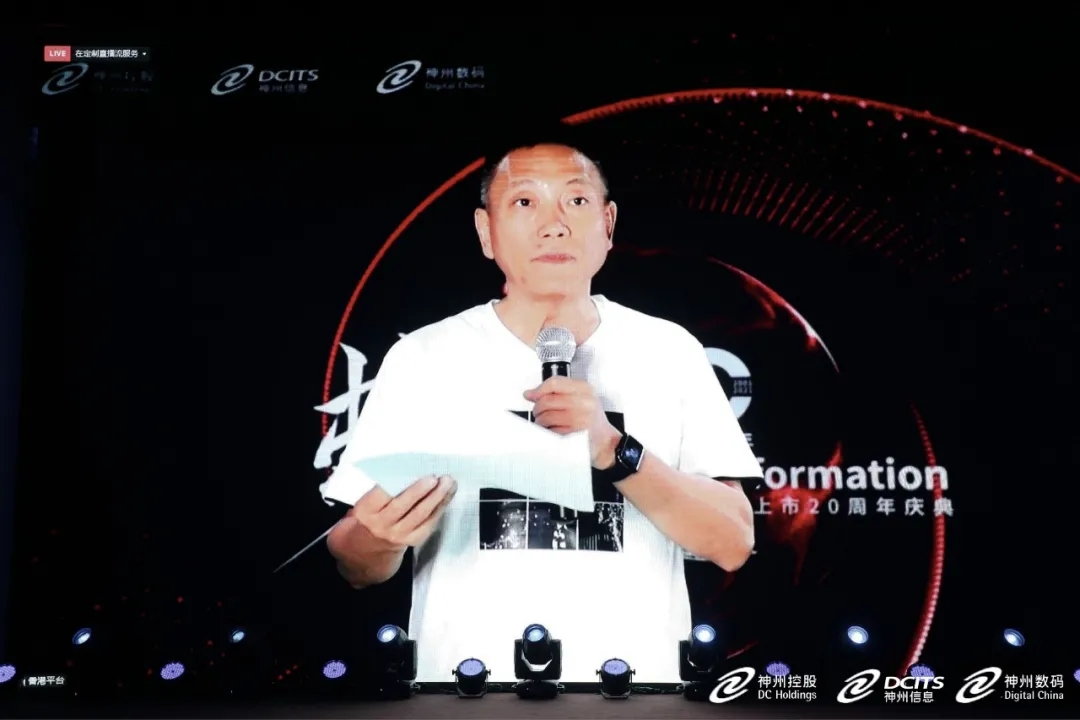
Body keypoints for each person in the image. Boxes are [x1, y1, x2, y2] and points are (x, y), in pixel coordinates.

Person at [325, 137, 762, 683]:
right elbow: (354, 563)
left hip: (637, 692)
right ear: (486, 232)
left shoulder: (669, 351)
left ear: (608, 224)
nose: (553, 225)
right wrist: (381, 537)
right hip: (463, 691)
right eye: (525, 202)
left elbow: (732, 542)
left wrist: (612, 449)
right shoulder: (424, 357)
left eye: (576, 201)